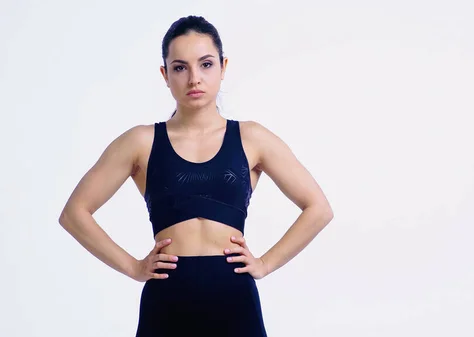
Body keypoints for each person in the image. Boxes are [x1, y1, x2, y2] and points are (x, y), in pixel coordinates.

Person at [58, 15, 333, 336]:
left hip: (234, 300)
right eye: (179, 67)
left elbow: (318, 208)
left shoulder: (252, 138)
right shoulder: (140, 142)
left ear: (223, 67)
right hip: (168, 300)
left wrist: (266, 263)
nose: (194, 79)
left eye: (205, 64)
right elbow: (74, 214)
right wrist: (133, 267)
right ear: (165, 74)